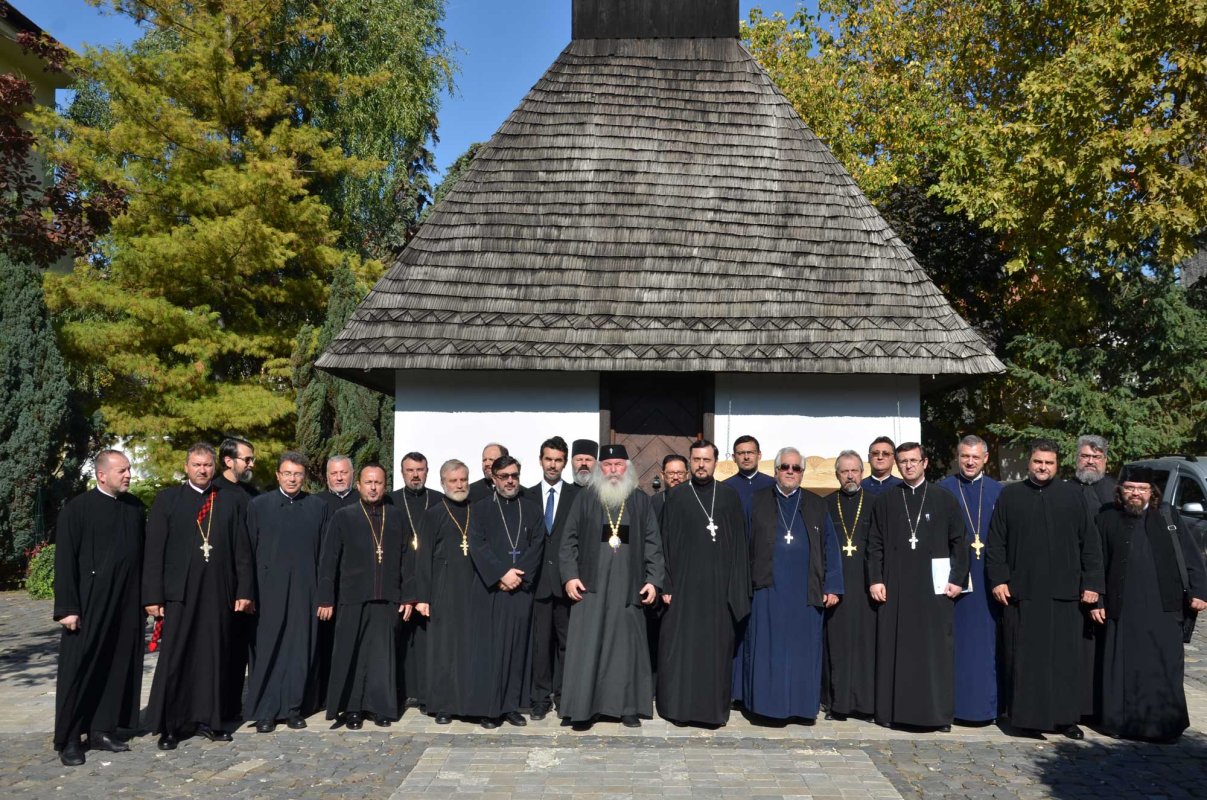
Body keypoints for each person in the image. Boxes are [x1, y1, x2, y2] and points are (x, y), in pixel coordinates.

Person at [986, 438, 1103, 740]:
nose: (1043, 467)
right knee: (1027, 660)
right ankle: (1026, 719)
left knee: (1064, 660)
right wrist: (998, 579)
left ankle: (1065, 719)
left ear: (1057, 465)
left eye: (1049, 463)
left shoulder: (1072, 495)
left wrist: (1092, 583)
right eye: (1038, 461)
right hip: (1023, 594)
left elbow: (1090, 543)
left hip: (1065, 594)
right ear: (1029, 462)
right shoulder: (1011, 495)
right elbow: (996, 542)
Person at [143, 443, 254, 750]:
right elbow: (154, 551)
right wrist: (153, 596)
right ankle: (172, 725)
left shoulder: (230, 500)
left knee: (214, 658)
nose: (202, 470)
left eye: (207, 465)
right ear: (186, 467)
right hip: (180, 594)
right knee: (177, 657)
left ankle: (210, 720)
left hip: (218, 592)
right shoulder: (168, 499)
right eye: (196, 465)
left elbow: (242, 550)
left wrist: (244, 589)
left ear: (214, 467)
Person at [1093, 466, 1207, 741]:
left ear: (1151, 492)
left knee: (1163, 664)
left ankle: (1163, 726)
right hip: (1122, 607)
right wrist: (1098, 599)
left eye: (1141, 489)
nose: (1135, 493)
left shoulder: (1167, 516)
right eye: (1130, 488)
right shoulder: (1107, 517)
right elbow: (1096, 562)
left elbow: (1191, 556)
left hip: (1163, 607)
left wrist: (1200, 591)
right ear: (1120, 490)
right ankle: (1120, 723)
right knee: (1123, 666)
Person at [559, 444, 664, 729]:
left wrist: (653, 580)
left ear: (627, 468)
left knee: (625, 649)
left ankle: (627, 708)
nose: (613, 470)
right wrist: (570, 576)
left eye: (618, 464)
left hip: (628, 587)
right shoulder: (585, 498)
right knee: (588, 647)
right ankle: (583, 709)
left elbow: (653, 543)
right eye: (607, 465)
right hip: (590, 587)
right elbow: (568, 541)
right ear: (599, 468)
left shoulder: (640, 500)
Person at [53, 449, 145, 766]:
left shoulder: (135, 508)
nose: (128, 475)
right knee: (79, 669)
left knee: (116, 665)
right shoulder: (76, 510)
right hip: (88, 603)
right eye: (122, 470)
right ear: (102, 475)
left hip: (126, 602)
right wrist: (68, 607)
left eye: (129, 469)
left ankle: (101, 730)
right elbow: (65, 561)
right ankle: (69, 738)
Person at [867, 442, 967, 731]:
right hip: (896, 587)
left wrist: (957, 579)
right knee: (896, 650)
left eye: (913, 460)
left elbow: (959, 542)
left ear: (925, 463)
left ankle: (937, 715)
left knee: (934, 652)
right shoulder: (886, 500)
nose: (908, 466)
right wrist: (875, 579)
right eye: (903, 461)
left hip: (934, 589)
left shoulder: (943, 498)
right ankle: (891, 712)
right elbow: (874, 543)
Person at [740, 447, 842, 723]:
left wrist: (832, 585)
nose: (790, 471)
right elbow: (743, 545)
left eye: (796, 468)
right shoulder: (757, 501)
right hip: (766, 588)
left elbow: (830, 546)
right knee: (768, 649)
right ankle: (765, 708)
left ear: (802, 473)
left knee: (802, 651)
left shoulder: (816, 504)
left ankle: (801, 708)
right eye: (785, 466)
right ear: (775, 471)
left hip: (805, 590)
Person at [656, 439, 751, 727]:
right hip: (684, 590)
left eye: (706, 460)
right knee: (682, 651)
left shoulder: (729, 497)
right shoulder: (677, 497)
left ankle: (711, 712)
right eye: (696, 460)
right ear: (690, 462)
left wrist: (736, 590)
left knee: (715, 653)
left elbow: (740, 547)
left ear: (715, 462)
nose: (700, 465)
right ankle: (678, 709)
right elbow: (664, 543)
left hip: (719, 592)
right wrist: (667, 584)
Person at [318, 464, 415, 729]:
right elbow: (329, 560)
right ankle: (352, 709)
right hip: (353, 597)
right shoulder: (344, 516)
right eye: (368, 482)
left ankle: (379, 707)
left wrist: (409, 596)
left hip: (388, 598)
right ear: (359, 485)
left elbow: (408, 559)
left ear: (385, 485)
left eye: (378, 483)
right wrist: (325, 598)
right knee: (352, 654)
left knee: (382, 657)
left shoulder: (396, 516)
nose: (373, 488)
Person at [243, 452, 330, 732]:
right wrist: (248, 592)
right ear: (278, 475)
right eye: (287, 473)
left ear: (304, 477)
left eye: (298, 474)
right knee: (268, 651)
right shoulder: (259, 506)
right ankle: (266, 711)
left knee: (299, 651)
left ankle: (293, 708)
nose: (292, 479)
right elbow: (247, 553)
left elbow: (326, 555)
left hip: (306, 590)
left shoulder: (317, 507)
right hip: (268, 591)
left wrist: (324, 594)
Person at [415, 460, 495, 725]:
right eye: (454, 481)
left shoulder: (478, 510)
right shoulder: (433, 514)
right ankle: (444, 706)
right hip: (444, 591)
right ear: (443, 483)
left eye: (463, 480)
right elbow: (423, 557)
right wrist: (423, 597)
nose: (460, 485)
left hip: (475, 589)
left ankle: (475, 706)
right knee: (445, 650)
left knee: (474, 650)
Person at [466, 455, 544, 728]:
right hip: (491, 591)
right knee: (491, 651)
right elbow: (477, 545)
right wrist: (501, 574)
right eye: (504, 476)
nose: (510, 481)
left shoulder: (531, 508)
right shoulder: (481, 508)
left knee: (517, 649)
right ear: (494, 478)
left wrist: (517, 576)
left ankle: (511, 707)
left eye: (514, 475)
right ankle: (489, 710)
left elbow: (537, 545)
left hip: (520, 589)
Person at [937, 435, 1003, 724]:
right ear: (958, 457)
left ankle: (987, 708)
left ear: (985, 458)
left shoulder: (998, 491)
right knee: (956, 645)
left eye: (976, 457)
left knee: (986, 646)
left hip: (988, 579)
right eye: (965, 456)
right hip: (954, 579)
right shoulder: (943, 490)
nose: (970, 462)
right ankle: (954, 707)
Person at [822, 450, 877, 721]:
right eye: (844, 471)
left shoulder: (876, 503)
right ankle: (838, 704)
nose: (850, 476)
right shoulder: (826, 505)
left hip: (867, 587)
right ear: (837, 475)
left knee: (867, 646)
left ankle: (866, 706)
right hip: (838, 587)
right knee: (838, 646)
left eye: (854, 470)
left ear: (862, 473)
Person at [528, 436, 580, 720]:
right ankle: (539, 698)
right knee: (540, 645)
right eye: (548, 459)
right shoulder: (527, 496)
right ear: (540, 460)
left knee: (567, 643)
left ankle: (564, 697)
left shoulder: (577, 496)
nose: (552, 465)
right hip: (536, 583)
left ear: (565, 462)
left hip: (566, 583)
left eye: (558, 460)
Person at [390, 452, 444, 709]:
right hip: (399, 578)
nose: (415, 475)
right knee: (399, 640)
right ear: (402, 473)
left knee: (425, 641)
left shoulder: (438, 500)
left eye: (419, 470)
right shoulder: (391, 500)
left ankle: (425, 694)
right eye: (410, 470)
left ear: (427, 471)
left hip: (430, 577)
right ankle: (400, 692)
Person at [1070, 433, 1115, 722]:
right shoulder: (1065, 490)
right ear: (1076, 459)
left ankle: (1102, 708)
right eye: (1085, 456)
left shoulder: (1115, 492)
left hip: (1108, 582)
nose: (1090, 461)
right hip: (1073, 581)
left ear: (1105, 461)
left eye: (1096, 457)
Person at [214, 435, 258, 719]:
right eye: (247, 459)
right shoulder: (214, 492)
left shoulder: (252, 494)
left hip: (251, 583)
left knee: (242, 648)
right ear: (229, 461)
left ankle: (234, 706)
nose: (251, 464)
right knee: (222, 649)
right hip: (224, 583)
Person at [314, 454, 354, 706]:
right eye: (334, 473)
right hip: (325, 581)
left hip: (354, 583)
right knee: (325, 641)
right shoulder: (316, 503)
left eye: (343, 472)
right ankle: (324, 696)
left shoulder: (362, 501)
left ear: (352, 474)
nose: (339, 477)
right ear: (327, 476)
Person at [724, 435, 776, 517]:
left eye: (750, 452)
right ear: (734, 457)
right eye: (741, 453)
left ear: (759, 455)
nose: (746, 457)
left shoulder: (773, 484)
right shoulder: (725, 487)